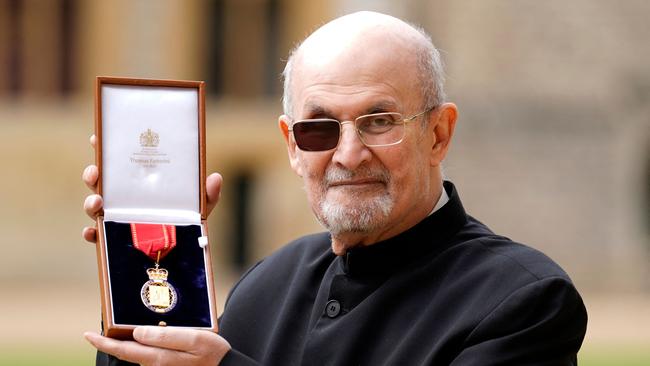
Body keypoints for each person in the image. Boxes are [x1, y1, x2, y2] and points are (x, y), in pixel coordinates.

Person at [83, 11, 587, 366]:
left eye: (379, 121)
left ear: (438, 134)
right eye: (319, 127)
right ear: (292, 145)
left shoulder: (523, 302)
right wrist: (144, 271)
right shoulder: (269, 282)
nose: (348, 153)